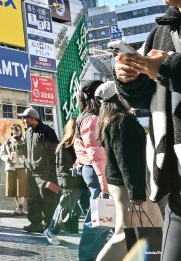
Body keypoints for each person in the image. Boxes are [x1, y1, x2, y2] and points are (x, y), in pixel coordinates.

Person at [115, 0, 181, 261]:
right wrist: (130, 78)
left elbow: (171, 71)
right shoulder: (161, 31)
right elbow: (145, 98)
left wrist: (168, 66)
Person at [95, 82, 163, 260]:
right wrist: (137, 192)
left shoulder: (111, 119)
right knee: (130, 233)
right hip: (129, 185)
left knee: (129, 231)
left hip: (122, 184)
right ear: (118, 98)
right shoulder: (121, 120)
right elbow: (127, 158)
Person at [73, 80, 110, 261]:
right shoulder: (92, 117)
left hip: (93, 170)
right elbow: (97, 153)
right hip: (98, 172)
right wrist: (104, 183)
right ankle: (88, 257)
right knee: (99, 221)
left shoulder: (84, 115)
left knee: (102, 220)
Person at [44, 119, 87, 245]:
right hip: (73, 184)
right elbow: (62, 167)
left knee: (89, 209)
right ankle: (51, 231)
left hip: (83, 182)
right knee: (64, 208)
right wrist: (66, 185)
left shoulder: (80, 143)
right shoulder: (65, 145)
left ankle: (101, 233)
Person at [19, 107, 59, 234]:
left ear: (33, 118)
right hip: (30, 171)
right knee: (32, 198)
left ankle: (49, 223)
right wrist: (20, 147)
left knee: (47, 198)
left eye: (25, 118)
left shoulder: (47, 131)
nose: (23, 121)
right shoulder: (27, 133)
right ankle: (35, 223)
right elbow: (25, 152)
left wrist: (51, 171)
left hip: (44, 172)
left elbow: (54, 152)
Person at [0, 123, 27, 215]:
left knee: (21, 188)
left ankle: (20, 207)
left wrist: (19, 142)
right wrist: (8, 158)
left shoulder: (23, 141)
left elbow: (27, 151)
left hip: (21, 166)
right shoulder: (7, 141)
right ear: (12, 131)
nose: (16, 131)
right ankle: (19, 207)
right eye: (15, 129)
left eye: (18, 130)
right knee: (13, 188)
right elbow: (2, 153)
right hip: (10, 166)